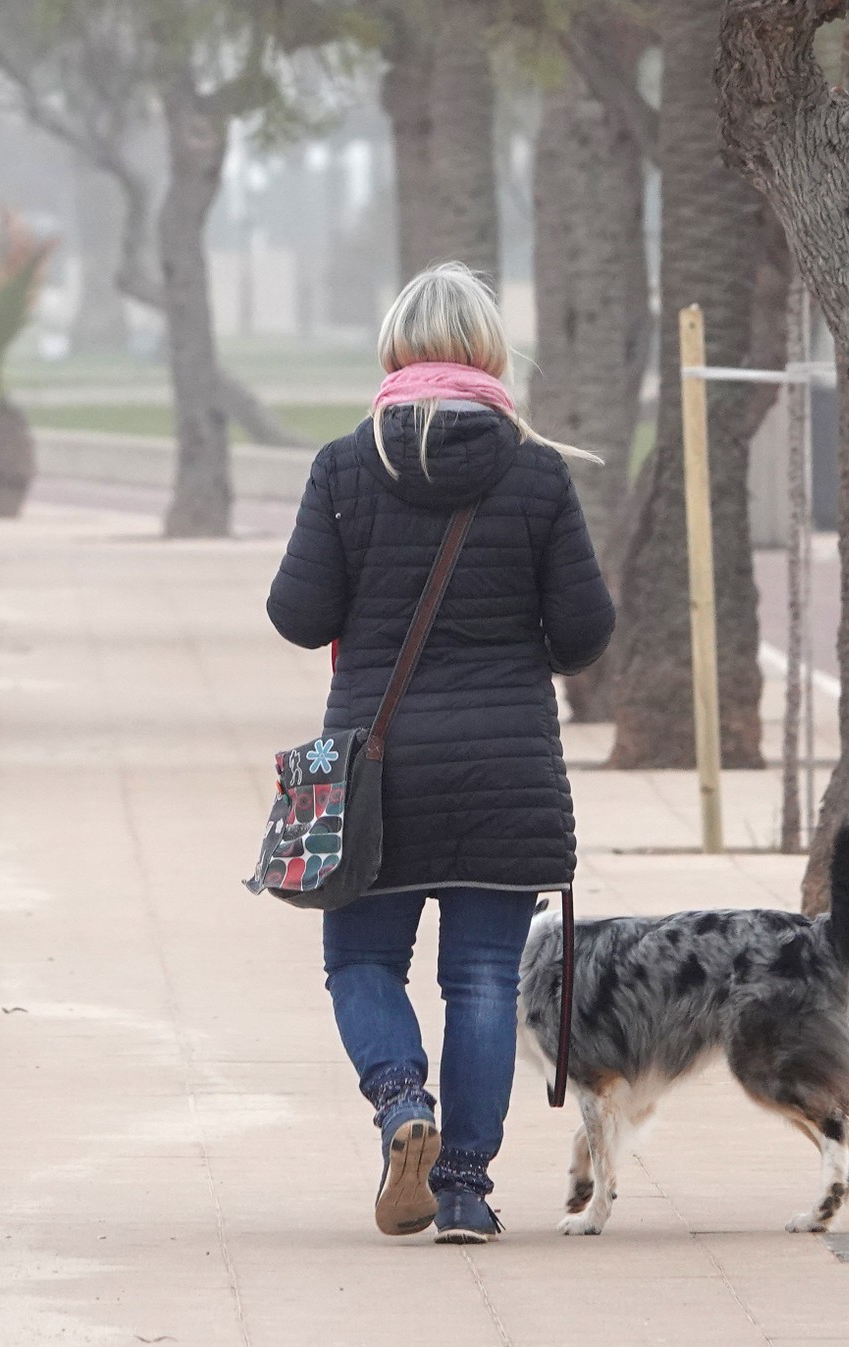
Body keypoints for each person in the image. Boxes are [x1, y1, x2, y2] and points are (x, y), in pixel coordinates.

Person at [265, 263, 615, 1244]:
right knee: (480, 979)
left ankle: (397, 1105)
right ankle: (462, 1184)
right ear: (491, 354)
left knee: (360, 961)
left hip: (375, 777)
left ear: (390, 351)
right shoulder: (535, 471)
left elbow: (296, 615)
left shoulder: (343, 466)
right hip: (505, 773)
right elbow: (585, 632)